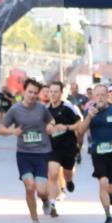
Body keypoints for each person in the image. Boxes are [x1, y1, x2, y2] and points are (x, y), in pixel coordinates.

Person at [0, 78, 58, 223]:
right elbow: (1, 129)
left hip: (42, 153)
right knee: (30, 187)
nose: (32, 95)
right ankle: (35, 221)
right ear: (24, 91)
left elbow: (51, 120)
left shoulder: (41, 108)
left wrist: (51, 126)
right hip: (24, 154)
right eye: (30, 92)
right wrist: (13, 131)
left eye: (35, 93)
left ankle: (45, 200)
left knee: (41, 191)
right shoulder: (15, 110)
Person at [80, 84, 112, 223]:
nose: (100, 98)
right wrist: (89, 116)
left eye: (103, 95)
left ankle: (110, 194)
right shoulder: (89, 111)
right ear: (93, 96)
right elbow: (81, 131)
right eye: (97, 95)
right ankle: (108, 216)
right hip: (98, 153)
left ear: (107, 96)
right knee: (103, 182)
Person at [45, 80, 83, 214]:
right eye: (51, 92)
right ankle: (52, 204)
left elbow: (80, 124)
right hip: (52, 148)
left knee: (67, 172)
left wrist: (66, 127)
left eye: (56, 92)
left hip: (68, 147)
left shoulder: (68, 107)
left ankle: (69, 181)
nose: (53, 94)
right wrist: (47, 129)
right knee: (53, 174)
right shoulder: (45, 110)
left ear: (61, 93)